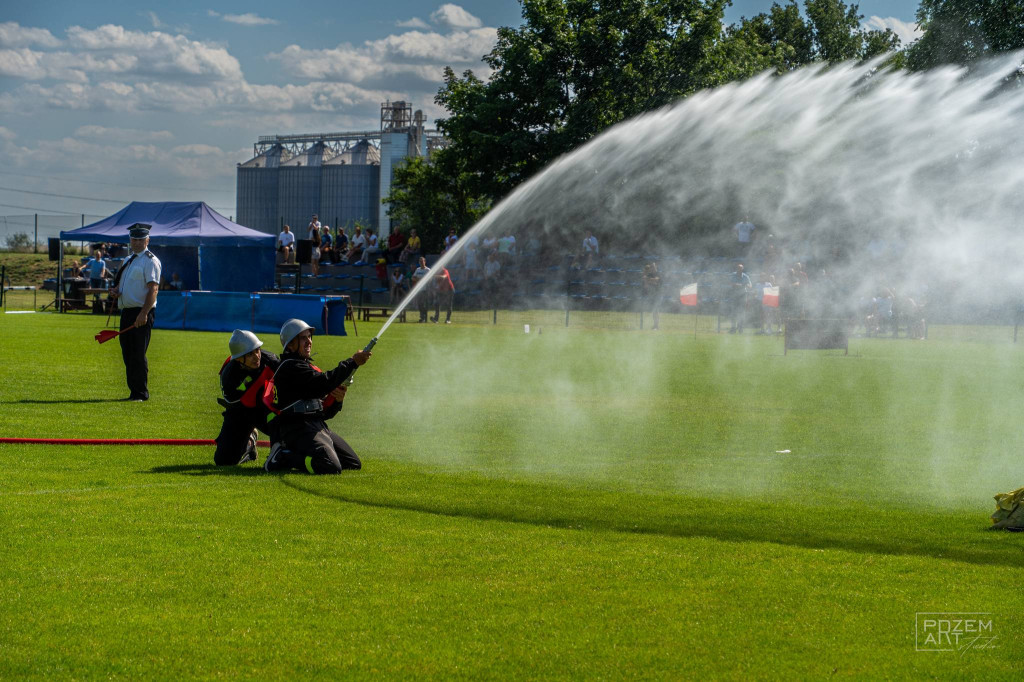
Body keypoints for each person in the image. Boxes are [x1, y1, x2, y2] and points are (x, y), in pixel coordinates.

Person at [263, 319, 372, 474]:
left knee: (352, 463)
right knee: (330, 466)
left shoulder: (303, 366)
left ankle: (297, 453)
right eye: (303, 338)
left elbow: (324, 413)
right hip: (298, 429)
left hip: (316, 427)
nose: (309, 341)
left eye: (309, 337)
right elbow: (323, 383)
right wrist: (352, 362)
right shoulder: (291, 367)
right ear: (291, 344)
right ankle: (283, 457)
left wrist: (338, 401)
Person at [110, 223, 161, 402]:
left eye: (140, 239)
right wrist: (117, 291)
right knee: (128, 353)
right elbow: (126, 285)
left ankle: (141, 393)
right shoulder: (128, 260)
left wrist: (144, 313)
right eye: (134, 239)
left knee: (138, 353)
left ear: (147, 240)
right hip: (127, 312)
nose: (137, 242)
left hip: (142, 312)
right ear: (130, 240)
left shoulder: (150, 260)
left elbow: (153, 289)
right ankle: (133, 392)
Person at [214, 330, 281, 466]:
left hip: (267, 409)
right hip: (241, 412)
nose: (257, 356)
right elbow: (234, 406)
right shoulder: (229, 376)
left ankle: (279, 451)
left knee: (278, 421)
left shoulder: (271, 361)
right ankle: (250, 441)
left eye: (257, 350)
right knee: (223, 460)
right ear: (239, 358)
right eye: (250, 354)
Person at [729, 262, 752, 333]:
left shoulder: (746, 276)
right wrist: (739, 285)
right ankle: (733, 328)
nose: (739, 270)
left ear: (742, 269)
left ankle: (740, 328)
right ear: (737, 269)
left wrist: (747, 285)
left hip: (743, 296)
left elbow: (750, 286)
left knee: (742, 312)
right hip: (735, 295)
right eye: (738, 268)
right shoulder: (733, 275)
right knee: (734, 312)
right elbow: (730, 283)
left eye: (740, 268)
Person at [642, 262, 662, 330]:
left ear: (656, 267)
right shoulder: (650, 274)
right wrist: (645, 275)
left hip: (658, 295)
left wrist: (648, 280)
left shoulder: (658, 273)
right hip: (652, 295)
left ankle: (656, 326)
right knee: (654, 311)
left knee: (656, 310)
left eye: (653, 267)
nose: (652, 268)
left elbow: (656, 281)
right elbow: (646, 285)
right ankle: (655, 325)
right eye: (651, 267)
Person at [411, 256, 431, 322]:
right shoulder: (417, 269)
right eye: (420, 261)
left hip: (425, 290)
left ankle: (424, 317)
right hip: (419, 290)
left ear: (425, 262)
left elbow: (430, 279)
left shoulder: (428, 270)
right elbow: (412, 278)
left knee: (423, 304)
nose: (421, 262)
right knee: (419, 304)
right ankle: (422, 317)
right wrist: (419, 279)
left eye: (422, 261)